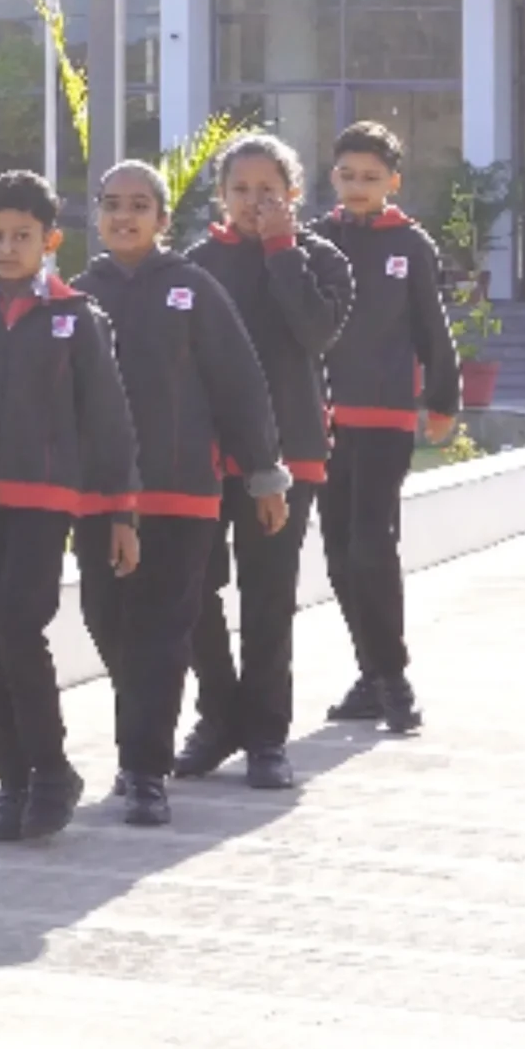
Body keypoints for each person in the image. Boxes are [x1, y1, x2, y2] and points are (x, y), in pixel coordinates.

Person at [0, 170, 138, 844]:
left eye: (23, 237)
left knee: (17, 627)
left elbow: (107, 416)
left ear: (51, 241)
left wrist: (122, 512)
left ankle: (50, 769)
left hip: (47, 500)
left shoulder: (77, 318)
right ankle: (11, 782)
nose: (8, 248)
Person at [76, 163, 291, 828]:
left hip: (183, 495)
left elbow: (240, 385)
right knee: (106, 620)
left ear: (163, 220)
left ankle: (143, 771)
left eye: (140, 205)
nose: (125, 217)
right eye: (113, 205)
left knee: (163, 634)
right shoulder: (77, 296)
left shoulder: (193, 289)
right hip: (100, 500)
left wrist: (262, 473)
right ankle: (152, 729)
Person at [175, 133, 353, 791]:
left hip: (290, 451)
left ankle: (267, 736)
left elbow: (315, 332)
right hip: (204, 458)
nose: (255, 203)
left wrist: (282, 251)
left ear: (294, 195)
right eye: (241, 190)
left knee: (269, 596)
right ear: (220, 196)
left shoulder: (320, 260)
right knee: (195, 590)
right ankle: (219, 715)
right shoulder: (193, 267)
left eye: (269, 191)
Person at [317, 122, 459, 737]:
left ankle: (393, 679)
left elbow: (434, 329)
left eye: (370, 177)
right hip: (321, 424)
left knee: (372, 547)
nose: (357, 186)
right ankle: (371, 675)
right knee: (338, 556)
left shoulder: (413, 246)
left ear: (393, 182)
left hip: (387, 420)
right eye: (348, 175)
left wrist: (443, 399)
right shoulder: (313, 240)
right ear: (333, 177)